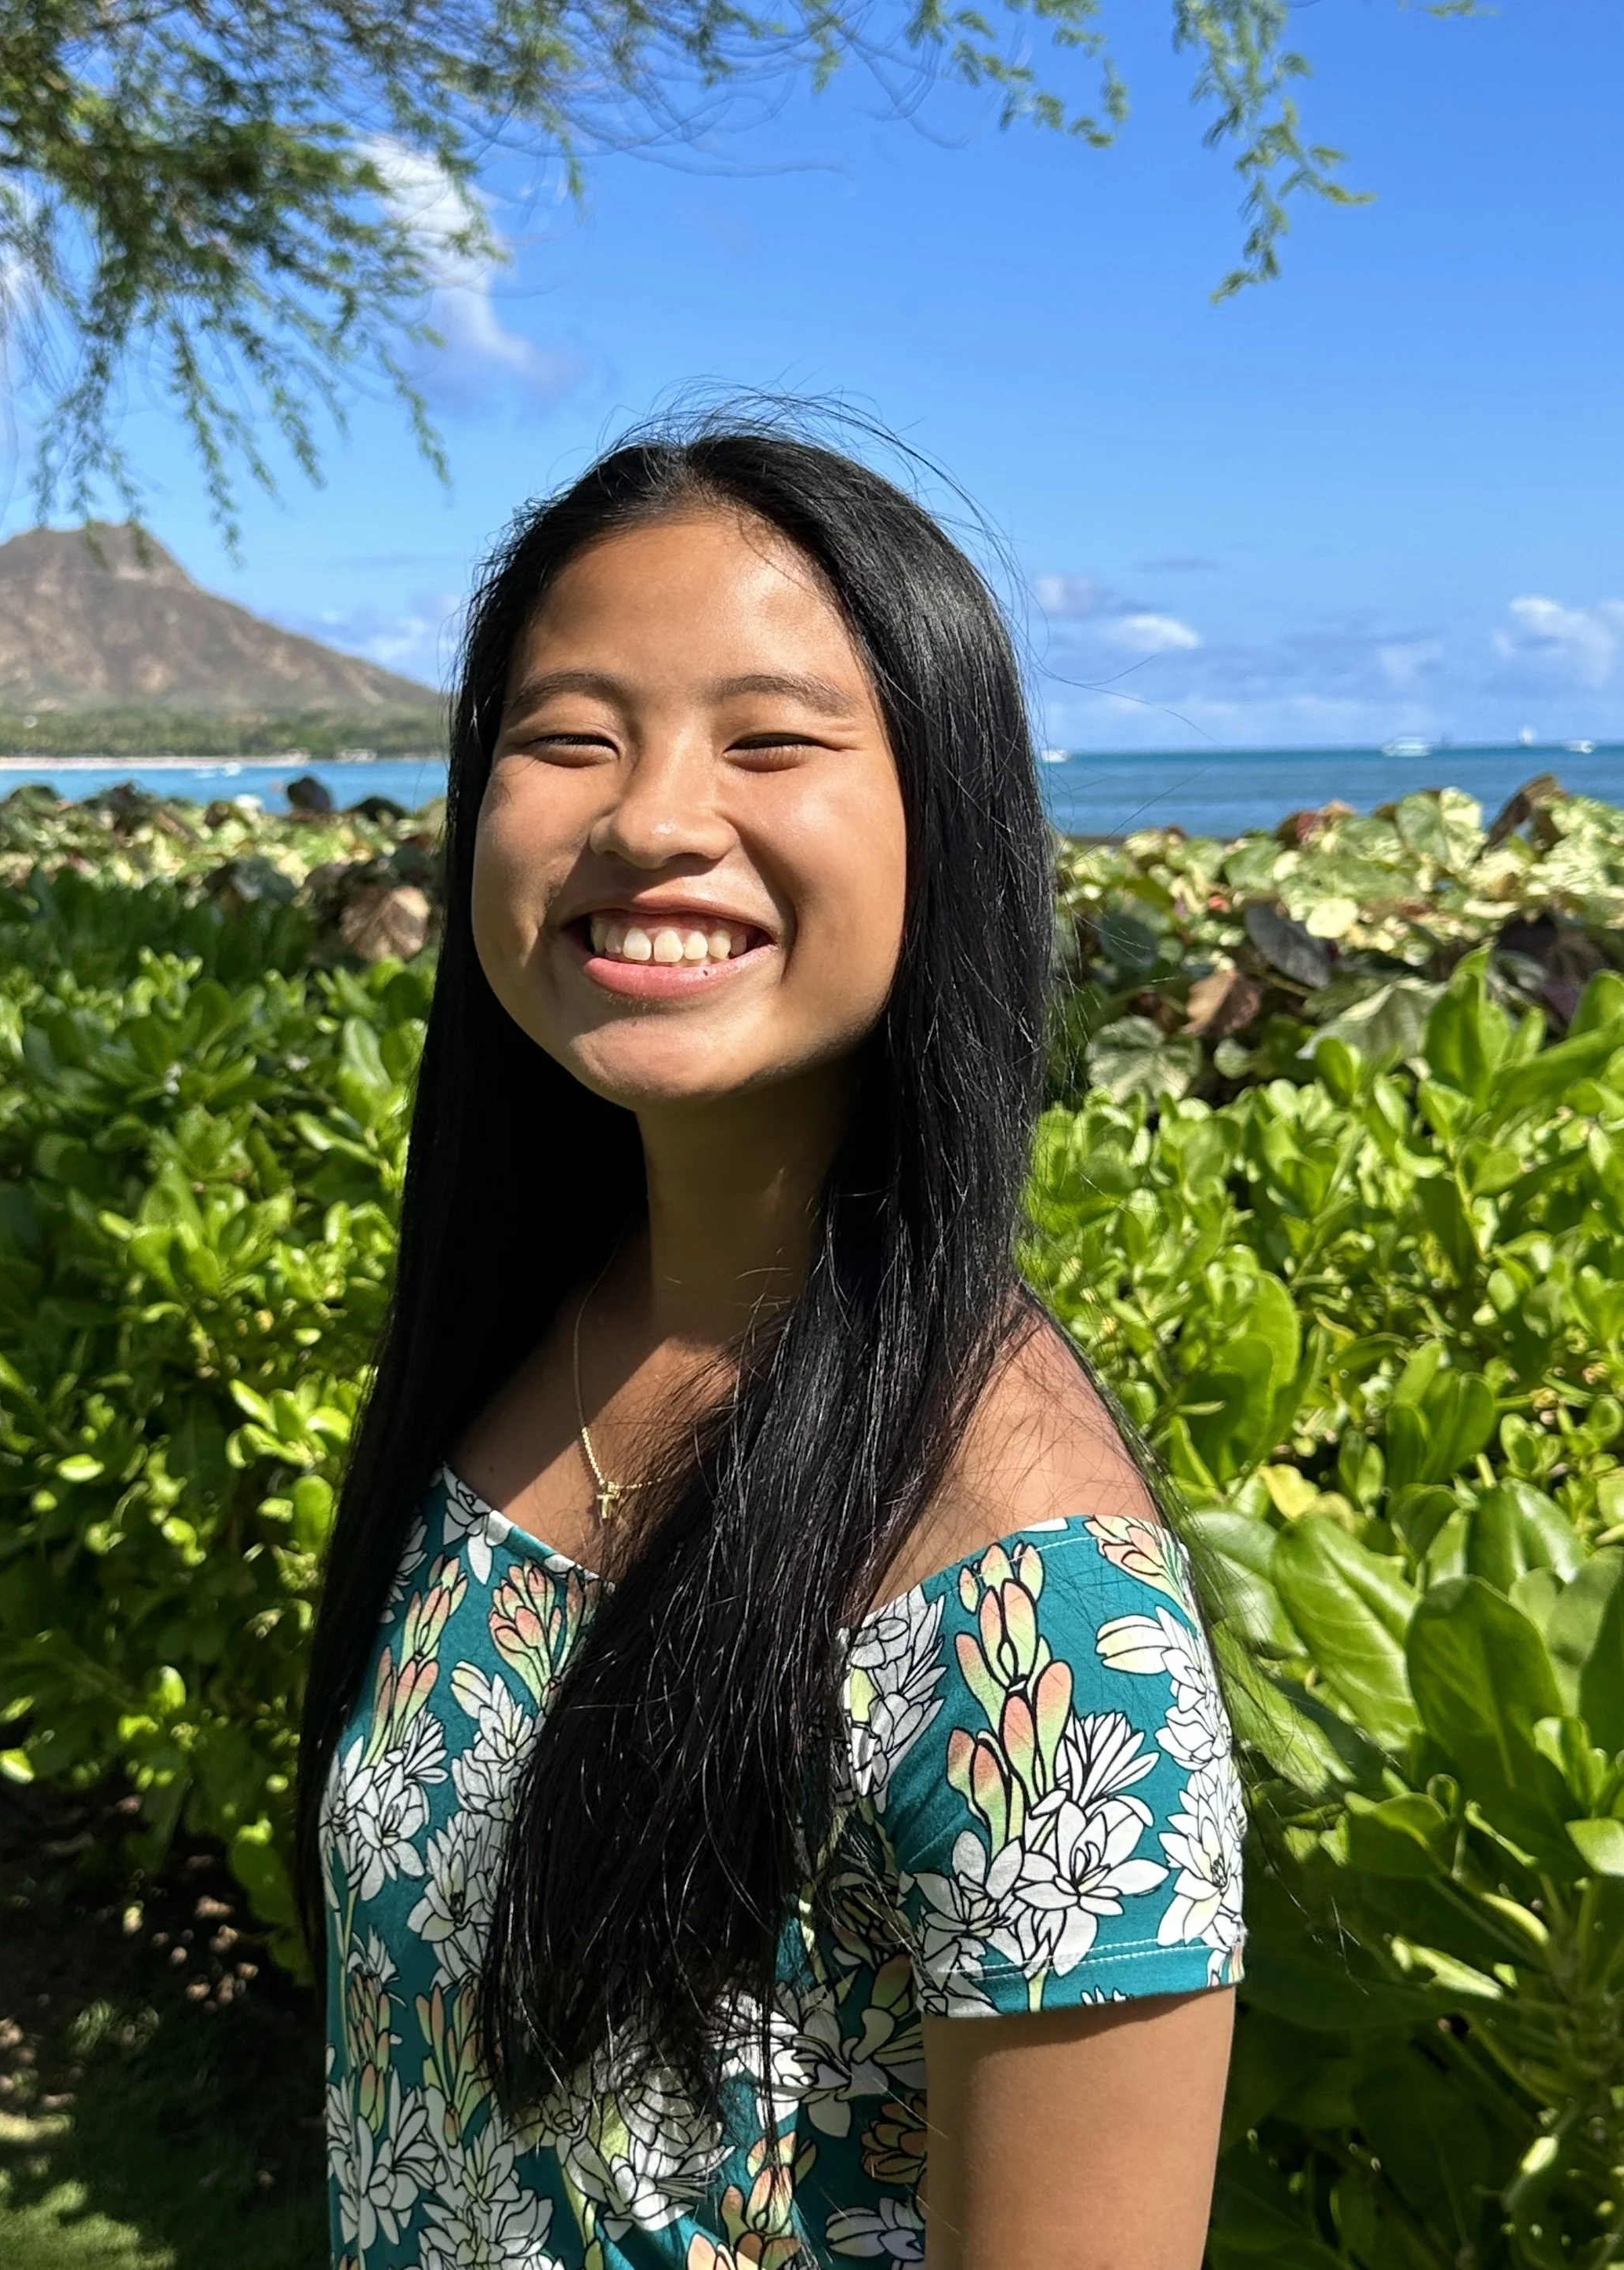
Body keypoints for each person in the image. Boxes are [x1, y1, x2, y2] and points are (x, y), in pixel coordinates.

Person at [296, 424, 1244, 2270]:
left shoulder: (1030, 1604)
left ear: (943, 825)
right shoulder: (560, 1322)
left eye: (772, 738)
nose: (649, 818)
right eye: (567, 736)